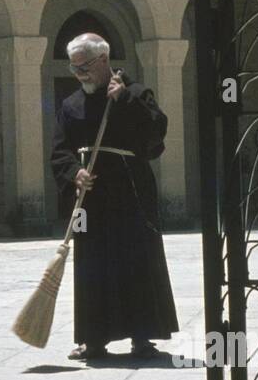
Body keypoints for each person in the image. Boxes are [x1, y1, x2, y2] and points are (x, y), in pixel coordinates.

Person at [50, 32, 179, 361]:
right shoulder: (70, 105)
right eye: (75, 68)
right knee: (92, 265)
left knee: (136, 259)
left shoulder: (136, 94)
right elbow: (60, 151)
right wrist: (73, 174)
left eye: (86, 66)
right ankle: (93, 340)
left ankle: (143, 337)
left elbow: (156, 134)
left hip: (129, 190)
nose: (80, 74)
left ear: (105, 60)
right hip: (90, 196)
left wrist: (126, 101)